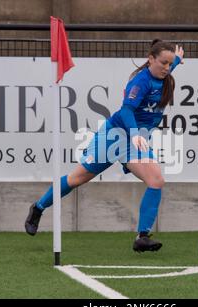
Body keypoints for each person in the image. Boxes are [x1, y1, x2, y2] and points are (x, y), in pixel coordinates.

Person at [25, 39, 184, 252]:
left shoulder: (164, 73)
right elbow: (127, 110)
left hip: (136, 141)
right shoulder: (140, 82)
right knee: (77, 179)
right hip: (116, 135)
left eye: (170, 64)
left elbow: (170, 65)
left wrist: (178, 59)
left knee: (156, 180)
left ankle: (142, 237)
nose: (167, 67)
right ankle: (38, 207)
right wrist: (135, 133)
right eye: (163, 62)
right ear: (150, 59)